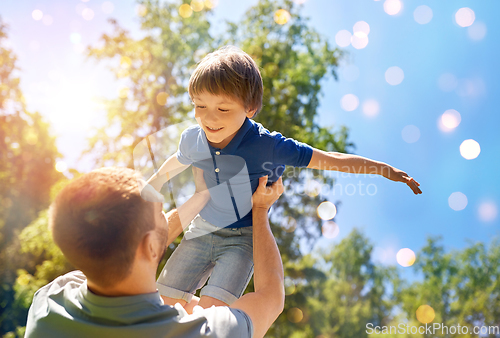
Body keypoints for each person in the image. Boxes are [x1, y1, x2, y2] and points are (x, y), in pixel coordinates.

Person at [148, 46, 422, 310]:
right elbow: (179, 159)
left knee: (212, 313)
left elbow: (329, 158)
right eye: (200, 106)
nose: (209, 118)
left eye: (223, 109)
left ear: (250, 108)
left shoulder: (269, 146)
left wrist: (385, 170)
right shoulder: (193, 138)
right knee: (162, 304)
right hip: (201, 229)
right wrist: (156, 181)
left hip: (242, 239)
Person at [25, 166, 285, 338]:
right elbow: (270, 297)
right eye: (160, 212)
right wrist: (260, 211)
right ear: (150, 246)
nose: (166, 216)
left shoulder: (50, 300)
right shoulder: (198, 332)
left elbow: (128, 241)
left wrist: (202, 195)